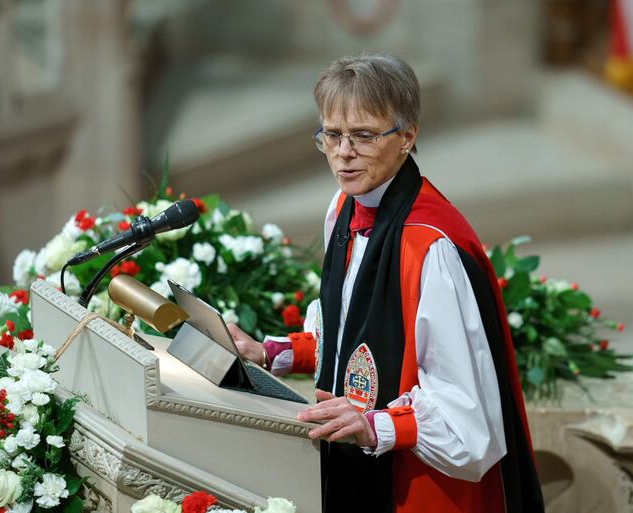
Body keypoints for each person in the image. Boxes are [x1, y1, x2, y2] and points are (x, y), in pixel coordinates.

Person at [228, 54, 544, 513]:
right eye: (332, 135)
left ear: (407, 137)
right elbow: (352, 339)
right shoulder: (343, 209)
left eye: (363, 136)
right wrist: (272, 353)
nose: (343, 153)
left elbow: (466, 418)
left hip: (418, 488)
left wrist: (375, 426)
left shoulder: (430, 248)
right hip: (353, 471)